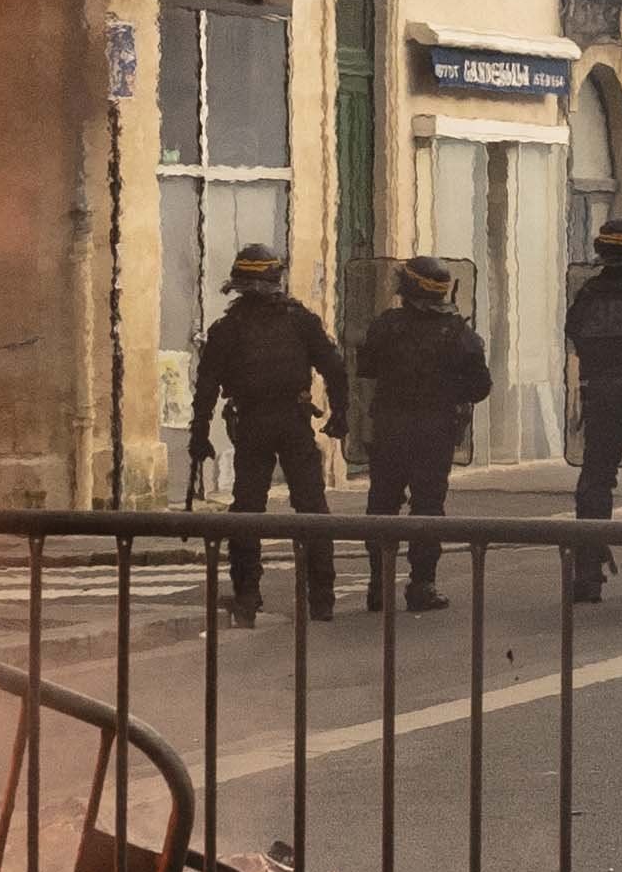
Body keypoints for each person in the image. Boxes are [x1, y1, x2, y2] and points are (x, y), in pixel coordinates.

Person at [186, 237, 350, 622]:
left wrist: (199, 434)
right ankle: (321, 597)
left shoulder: (227, 328)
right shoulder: (302, 321)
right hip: (294, 422)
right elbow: (335, 368)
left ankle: (246, 595)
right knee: (311, 509)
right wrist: (340, 414)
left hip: (253, 424)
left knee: (247, 511)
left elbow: (206, 386)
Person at [355, 254, 494, 609]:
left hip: (389, 427)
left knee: (382, 504)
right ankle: (421, 586)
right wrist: (449, 391)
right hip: (434, 431)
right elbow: (480, 386)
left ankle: (378, 586)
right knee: (428, 507)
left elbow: (366, 369)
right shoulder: (458, 332)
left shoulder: (385, 325)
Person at [557, 215, 622, 601]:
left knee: (595, 481)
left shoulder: (590, 293)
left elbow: (575, 333)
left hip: (601, 394)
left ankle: (587, 574)